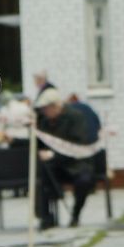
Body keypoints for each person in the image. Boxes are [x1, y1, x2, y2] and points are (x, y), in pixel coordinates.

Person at [34, 87, 101, 228]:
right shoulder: (45, 122)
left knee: (84, 181)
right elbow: (41, 143)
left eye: (46, 109)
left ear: (55, 106)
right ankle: (46, 217)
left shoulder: (76, 117)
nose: (44, 112)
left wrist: (53, 154)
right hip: (56, 165)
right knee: (42, 177)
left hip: (77, 163)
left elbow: (78, 143)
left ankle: (75, 215)